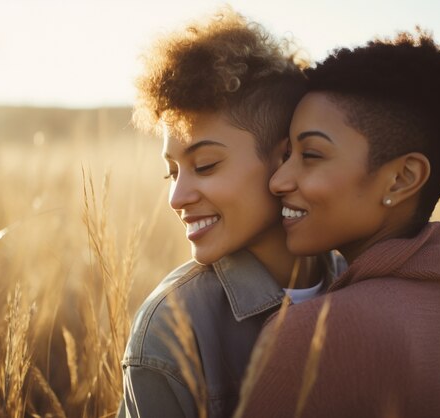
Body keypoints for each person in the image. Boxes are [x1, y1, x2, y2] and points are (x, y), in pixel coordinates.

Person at [238, 31, 440, 417]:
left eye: (310, 154)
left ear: (402, 178)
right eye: (287, 153)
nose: (278, 181)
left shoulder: (310, 333)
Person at [118, 8, 344, 418]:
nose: (177, 197)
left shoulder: (358, 282)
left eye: (204, 166)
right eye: (171, 172)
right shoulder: (171, 328)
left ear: (285, 159)